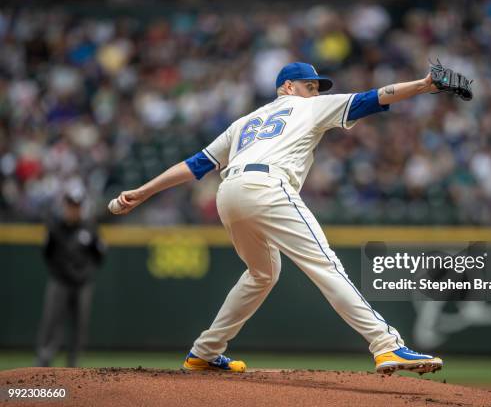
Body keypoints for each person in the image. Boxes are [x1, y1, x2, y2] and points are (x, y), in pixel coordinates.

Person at [111, 62, 444, 375]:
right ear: (288, 86)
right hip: (266, 187)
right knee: (326, 265)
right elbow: (375, 97)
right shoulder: (309, 106)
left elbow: (195, 165)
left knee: (262, 273)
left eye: (317, 88)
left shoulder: (243, 124)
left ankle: (205, 352)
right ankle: (387, 345)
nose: (316, 92)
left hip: (229, 193)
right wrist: (424, 84)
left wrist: (143, 191)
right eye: (310, 86)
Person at [36, 186, 105, 367]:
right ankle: (44, 359)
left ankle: (73, 364)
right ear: (65, 205)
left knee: (79, 324)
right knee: (52, 320)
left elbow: (99, 255)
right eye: (71, 205)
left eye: (77, 205)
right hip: (60, 281)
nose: (74, 209)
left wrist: (86, 273)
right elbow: (47, 253)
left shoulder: (89, 227)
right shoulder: (55, 226)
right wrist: (60, 271)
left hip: (82, 283)